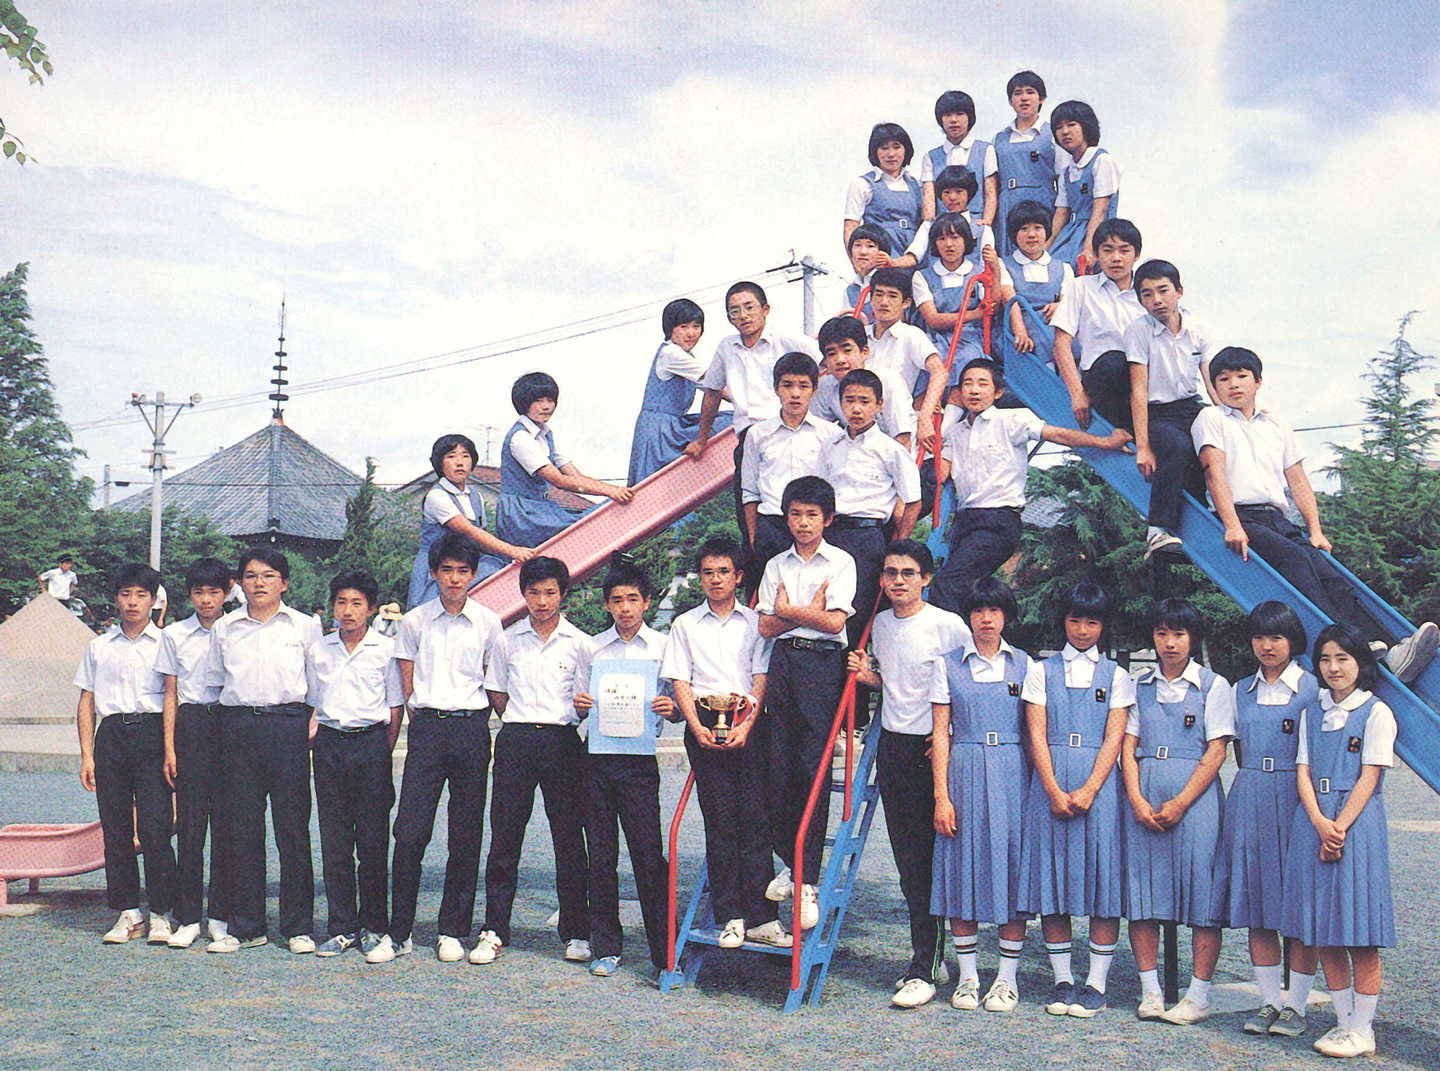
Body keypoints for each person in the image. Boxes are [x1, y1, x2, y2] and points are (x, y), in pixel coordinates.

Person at [1194, 347, 1440, 681]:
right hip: (1240, 516)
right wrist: (1232, 524)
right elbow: (1213, 471)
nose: (1233, 384)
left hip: (1276, 517)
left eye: (1241, 376)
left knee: (1330, 574)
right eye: (1223, 379)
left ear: (1258, 381)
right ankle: (1352, 647)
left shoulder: (1275, 423)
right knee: (1296, 561)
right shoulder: (1212, 419)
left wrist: (1315, 530)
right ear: (1214, 386)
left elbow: (1297, 479)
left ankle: (1390, 647)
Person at [847, 540, 972, 1009]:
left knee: (936, 861)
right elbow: (894, 683)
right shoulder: (880, 625)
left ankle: (928, 966)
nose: (897, 581)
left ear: (926, 579)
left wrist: (953, 733)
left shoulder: (947, 625)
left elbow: (970, 682)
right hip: (894, 747)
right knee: (908, 863)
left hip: (934, 748)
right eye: (890, 573)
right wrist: (868, 677)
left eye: (908, 573)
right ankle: (930, 956)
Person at [371, 533, 506, 965]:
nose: (454, 579)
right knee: (410, 831)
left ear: (474, 574)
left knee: (465, 833)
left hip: (471, 729)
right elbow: (406, 678)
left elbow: (493, 678)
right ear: (433, 573)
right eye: (446, 570)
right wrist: (420, 714)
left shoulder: (488, 622)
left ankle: (452, 930)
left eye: (463, 571)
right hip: (428, 728)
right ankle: (399, 932)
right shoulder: (415, 621)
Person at [661, 538, 787, 949]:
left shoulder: (755, 623)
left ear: (738, 576)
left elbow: (760, 677)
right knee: (720, 823)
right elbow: (680, 680)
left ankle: (763, 918)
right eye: (708, 572)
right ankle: (731, 916)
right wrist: (696, 727)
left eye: (723, 572)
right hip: (703, 729)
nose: (715, 579)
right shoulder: (684, 625)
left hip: (749, 729)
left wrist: (747, 725)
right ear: (700, 578)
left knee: (756, 820)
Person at [928, 359, 1130, 614]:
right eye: (968, 384)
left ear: (998, 392)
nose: (974, 390)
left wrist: (1104, 442)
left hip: (997, 521)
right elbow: (940, 474)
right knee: (968, 593)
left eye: (982, 384)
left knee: (948, 584)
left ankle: (944, 639)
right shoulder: (955, 433)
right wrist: (937, 423)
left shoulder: (1011, 419)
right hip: (965, 522)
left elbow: (1058, 434)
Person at [1017, 581, 1133, 1018]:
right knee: (1053, 880)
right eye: (1075, 620)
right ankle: (1062, 979)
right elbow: (1036, 733)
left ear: (1103, 625)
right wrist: (1051, 788)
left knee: (1103, 881)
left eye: (1092, 622)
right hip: (1049, 785)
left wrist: (1089, 789)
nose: (1082, 630)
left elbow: (1114, 738)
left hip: (1098, 788)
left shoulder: (1117, 676)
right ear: (1063, 621)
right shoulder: (1040, 670)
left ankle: (1096, 984)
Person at [1281, 624, 1397, 1059]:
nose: (1334, 668)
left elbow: (1370, 776)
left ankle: (1363, 1028)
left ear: (1360, 663)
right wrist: (1317, 821)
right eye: (1326, 659)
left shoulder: (1376, 712)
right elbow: (1303, 770)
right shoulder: (1312, 712)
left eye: (1343, 658)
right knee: (1324, 929)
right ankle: (1344, 1022)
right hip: (1313, 822)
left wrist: (1339, 827)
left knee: (1359, 931)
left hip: (1356, 824)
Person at [473, 556, 591, 966]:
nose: (542, 601)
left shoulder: (580, 643)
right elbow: (497, 692)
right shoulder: (507, 640)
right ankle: (494, 929)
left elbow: (584, 699)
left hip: (562, 741)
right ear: (523, 594)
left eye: (550, 593)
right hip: (517, 740)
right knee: (505, 838)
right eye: (534, 592)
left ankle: (576, 931)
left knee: (569, 840)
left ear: (563, 594)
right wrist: (519, 721)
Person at [204, 547, 323, 954]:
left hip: (287, 727)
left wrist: (308, 724)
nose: (259, 583)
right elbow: (215, 683)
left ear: (284, 583)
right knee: (242, 830)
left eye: (269, 575)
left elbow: (316, 684)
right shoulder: (225, 628)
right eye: (252, 575)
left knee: (292, 830)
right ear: (240, 583)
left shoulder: (305, 626)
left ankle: (298, 927)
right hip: (237, 728)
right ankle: (247, 925)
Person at [1121, 599, 1232, 1024]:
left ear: (1193, 638)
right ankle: (1150, 991)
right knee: (1143, 894)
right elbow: (1128, 747)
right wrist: (1136, 799)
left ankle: (1198, 995)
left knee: (1203, 895)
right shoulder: (1140, 685)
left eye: (1179, 634)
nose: (1169, 643)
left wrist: (1182, 801)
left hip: (1196, 801)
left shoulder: (1213, 686)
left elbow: (1217, 750)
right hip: (1146, 793)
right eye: (1162, 633)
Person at [1213, 601, 1321, 1038]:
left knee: (1298, 905)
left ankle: (1296, 1006)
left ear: (1292, 640)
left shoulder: (1313, 688)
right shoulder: (1239, 690)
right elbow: (1236, 749)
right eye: (1259, 637)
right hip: (1251, 795)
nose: (1267, 646)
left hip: (1298, 797)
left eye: (1276, 637)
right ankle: (1269, 1001)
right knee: (1258, 904)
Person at [757, 476, 857, 932]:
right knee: (777, 768)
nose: (802, 523)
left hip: (822, 666)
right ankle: (790, 863)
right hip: (782, 663)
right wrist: (807, 613)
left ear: (828, 519)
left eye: (811, 515)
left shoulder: (842, 562)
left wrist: (788, 611)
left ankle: (807, 879)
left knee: (812, 768)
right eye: (795, 514)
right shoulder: (776, 564)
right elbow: (765, 627)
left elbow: (834, 624)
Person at [929, 577, 1031, 1013]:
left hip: (1013, 770)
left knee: (1012, 870)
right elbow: (940, 732)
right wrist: (942, 796)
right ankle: (968, 977)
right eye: (978, 611)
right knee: (961, 869)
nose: (986, 619)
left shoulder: (1026, 665)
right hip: (964, 768)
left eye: (994, 610)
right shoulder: (947, 665)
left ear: (1006, 615)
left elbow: (1036, 731)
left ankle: (1006, 979)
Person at [570, 560, 677, 977]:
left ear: (647, 602)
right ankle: (606, 947)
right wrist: (580, 706)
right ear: (606, 605)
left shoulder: (663, 647)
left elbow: (678, 701)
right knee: (601, 855)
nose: (625, 608)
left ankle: (663, 952)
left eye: (633, 599)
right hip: (596, 758)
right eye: (617, 600)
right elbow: (578, 704)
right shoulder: (593, 648)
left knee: (648, 854)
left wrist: (672, 710)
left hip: (639, 760)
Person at [74, 563, 175, 944]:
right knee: (115, 829)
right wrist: (87, 755)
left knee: (155, 828)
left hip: (152, 734)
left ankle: (161, 913)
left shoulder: (166, 643)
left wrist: (171, 749)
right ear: (116, 599)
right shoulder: (99, 646)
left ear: (154, 600)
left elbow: (173, 697)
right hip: (112, 736)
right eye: (125, 594)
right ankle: (128, 912)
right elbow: (86, 700)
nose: (133, 602)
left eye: (141, 595)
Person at [305, 570, 404, 958]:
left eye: (356, 603)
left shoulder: (386, 649)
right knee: (335, 842)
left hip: (371, 745)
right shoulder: (320, 649)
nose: (348, 611)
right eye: (341, 602)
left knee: (373, 843)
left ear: (372, 609)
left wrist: (381, 750)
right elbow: (313, 701)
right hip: (330, 745)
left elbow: (394, 706)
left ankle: (375, 926)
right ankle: (342, 927)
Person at [686, 281, 820, 524]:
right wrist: (702, 440)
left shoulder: (786, 340)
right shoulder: (727, 347)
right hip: (748, 437)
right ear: (729, 318)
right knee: (748, 506)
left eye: (749, 307)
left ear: (765, 309)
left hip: (786, 431)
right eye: (735, 311)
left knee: (795, 504)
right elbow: (712, 391)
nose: (743, 315)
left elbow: (824, 363)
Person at [817, 369, 922, 653]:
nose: (856, 408)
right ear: (840, 403)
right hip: (830, 535)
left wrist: (899, 544)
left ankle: (853, 679)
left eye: (864, 401)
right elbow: (820, 494)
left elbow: (913, 500)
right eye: (849, 400)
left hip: (868, 538)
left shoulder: (890, 449)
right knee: (825, 606)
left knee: (857, 611)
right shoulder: (829, 447)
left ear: (879, 405)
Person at [157, 557, 232, 950]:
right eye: (199, 592)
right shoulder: (174, 634)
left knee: (226, 828)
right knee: (190, 828)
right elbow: (170, 693)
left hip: (230, 724)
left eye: (214, 592)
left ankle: (220, 917)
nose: (206, 600)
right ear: (189, 595)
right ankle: (187, 918)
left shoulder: (238, 629)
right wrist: (169, 747)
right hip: (191, 725)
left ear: (227, 592)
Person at [1125, 259, 1219, 560]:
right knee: (1177, 447)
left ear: (1179, 291)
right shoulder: (1138, 331)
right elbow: (1139, 389)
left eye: (1163, 290)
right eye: (1147, 294)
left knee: (1215, 445)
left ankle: (1217, 512)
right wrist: (1143, 448)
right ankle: (1157, 528)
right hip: (1158, 413)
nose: (1157, 300)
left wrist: (1232, 419)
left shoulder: (1199, 329)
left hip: (1191, 407)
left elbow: (1211, 381)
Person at [495, 372, 634, 549]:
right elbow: (559, 481)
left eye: (550, 400)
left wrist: (615, 491)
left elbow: (575, 476)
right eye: (538, 401)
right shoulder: (521, 437)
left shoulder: (546, 434)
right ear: (524, 403)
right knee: (581, 530)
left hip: (539, 508)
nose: (546, 406)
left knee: (603, 513)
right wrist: (610, 491)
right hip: (521, 514)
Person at [739, 351, 836, 577]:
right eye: (787, 385)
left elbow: (835, 487)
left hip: (814, 527)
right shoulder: (757, 434)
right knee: (771, 594)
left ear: (814, 389)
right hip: (772, 528)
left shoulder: (831, 434)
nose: (795, 393)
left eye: (803, 386)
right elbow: (749, 491)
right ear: (776, 388)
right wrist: (754, 535)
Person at [408, 433, 531, 609]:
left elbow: (483, 540)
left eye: (465, 456)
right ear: (439, 463)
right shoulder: (437, 496)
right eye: (451, 457)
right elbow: (470, 532)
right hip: (440, 566)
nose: (460, 463)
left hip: (466, 564)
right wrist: (513, 551)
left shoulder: (475, 496)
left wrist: (513, 555)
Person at [1049, 218, 1146, 430]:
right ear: (1096, 253)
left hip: (1143, 380)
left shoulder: (1147, 293)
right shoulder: (1081, 287)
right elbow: (1061, 344)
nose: (1116, 258)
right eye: (1108, 250)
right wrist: (1077, 394)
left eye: (1124, 250)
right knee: (1115, 361)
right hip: (1102, 378)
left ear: (1136, 254)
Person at [627, 298, 734, 484]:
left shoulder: (685, 356)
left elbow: (715, 389)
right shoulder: (671, 354)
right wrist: (754, 404)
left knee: (727, 420)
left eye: (696, 326)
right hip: (658, 429)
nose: (691, 333)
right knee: (651, 485)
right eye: (684, 327)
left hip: (674, 426)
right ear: (670, 328)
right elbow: (716, 385)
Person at [911, 213, 1009, 371]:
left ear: (966, 240)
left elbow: (993, 306)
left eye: (955, 237)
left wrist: (996, 271)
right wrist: (976, 314)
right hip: (937, 339)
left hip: (972, 338)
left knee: (970, 358)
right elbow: (933, 319)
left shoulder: (978, 272)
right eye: (942, 239)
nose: (949, 244)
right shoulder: (922, 276)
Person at [864, 266, 948, 447]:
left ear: (906, 303)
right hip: (862, 420)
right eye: (879, 294)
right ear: (870, 298)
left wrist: (925, 416)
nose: (884, 302)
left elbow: (939, 372)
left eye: (892, 296)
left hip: (899, 422)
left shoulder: (911, 335)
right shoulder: (859, 336)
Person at [991, 70, 1066, 257]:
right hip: (1007, 206)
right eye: (1018, 93)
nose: (1024, 98)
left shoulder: (1053, 135)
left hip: (1043, 204)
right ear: (1010, 101)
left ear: (1041, 98)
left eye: (1030, 92)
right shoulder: (999, 139)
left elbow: (1064, 182)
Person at [813, 315, 911, 445]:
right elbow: (818, 434)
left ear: (864, 352)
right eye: (831, 354)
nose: (840, 359)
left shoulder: (888, 382)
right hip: (855, 452)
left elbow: (903, 438)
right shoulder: (825, 386)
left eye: (847, 350)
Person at [1047, 101, 1120, 269]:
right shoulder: (1067, 171)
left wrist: (1089, 248)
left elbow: (1100, 210)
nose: (1065, 132)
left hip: (1099, 233)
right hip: (1071, 232)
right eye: (1059, 127)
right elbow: (1061, 213)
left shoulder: (1101, 161)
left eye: (1071, 125)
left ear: (1086, 127)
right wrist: (1046, 247)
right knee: (1051, 265)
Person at [920, 90, 998, 235]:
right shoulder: (930, 157)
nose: (954, 120)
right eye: (948, 115)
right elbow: (929, 197)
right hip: (943, 231)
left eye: (960, 114)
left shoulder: (986, 150)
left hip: (976, 226)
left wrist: (986, 224)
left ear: (970, 117)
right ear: (940, 119)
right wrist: (930, 227)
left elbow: (990, 192)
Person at [1004, 200, 1074, 358]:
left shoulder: (1064, 268)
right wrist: (1020, 332)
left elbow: (1068, 301)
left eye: (1038, 228)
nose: (1031, 235)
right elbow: (1011, 302)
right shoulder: (1004, 265)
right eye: (1024, 229)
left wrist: (1059, 306)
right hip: (1019, 329)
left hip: (1053, 325)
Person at [843, 122, 922, 256]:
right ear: (875, 151)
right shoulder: (862, 184)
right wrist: (859, 265)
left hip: (914, 256)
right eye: (884, 148)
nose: (891, 154)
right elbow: (850, 228)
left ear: (906, 149)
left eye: (897, 147)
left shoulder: (918, 185)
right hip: (880, 257)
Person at [899, 165, 998, 270]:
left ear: (969, 193)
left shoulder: (982, 229)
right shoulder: (929, 225)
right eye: (946, 192)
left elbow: (987, 266)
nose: (952, 197)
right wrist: (893, 263)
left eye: (959, 191)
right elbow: (915, 253)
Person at [841, 223, 891, 323]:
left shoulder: (891, 282)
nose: (863, 252)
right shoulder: (850, 290)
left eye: (870, 246)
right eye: (857, 245)